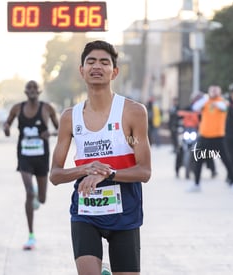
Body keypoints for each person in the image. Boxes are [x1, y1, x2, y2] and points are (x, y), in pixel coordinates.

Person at [50, 40, 151, 275]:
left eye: (104, 62)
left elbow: (145, 171)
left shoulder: (133, 112)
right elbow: (55, 175)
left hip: (125, 214)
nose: (97, 66)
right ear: (82, 70)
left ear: (114, 72)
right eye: (91, 61)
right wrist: (87, 169)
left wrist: (108, 173)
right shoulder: (69, 118)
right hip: (86, 213)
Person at [3, 80, 59, 250]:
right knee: (28, 192)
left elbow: (61, 129)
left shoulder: (47, 108)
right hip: (24, 156)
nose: (33, 90)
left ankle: (37, 193)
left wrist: (50, 132)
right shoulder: (17, 108)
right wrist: (5, 128)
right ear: (25, 91)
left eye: (35, 88)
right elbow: (7, 125)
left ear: (39, 91)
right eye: (30, 88)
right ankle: (31, 236)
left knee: (41, 199)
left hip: (41, 157)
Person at [191, 85, 233, 193]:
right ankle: (196, 184)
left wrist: (215, 101)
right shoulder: (205, 101)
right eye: (211, 90)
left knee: (226, 161)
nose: (213, 91)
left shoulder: (223, 101)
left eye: (215, 89)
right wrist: (206, 98)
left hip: (218, 137)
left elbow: (224, 107)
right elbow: (195, 107)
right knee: (198, 160)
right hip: (204, 136)